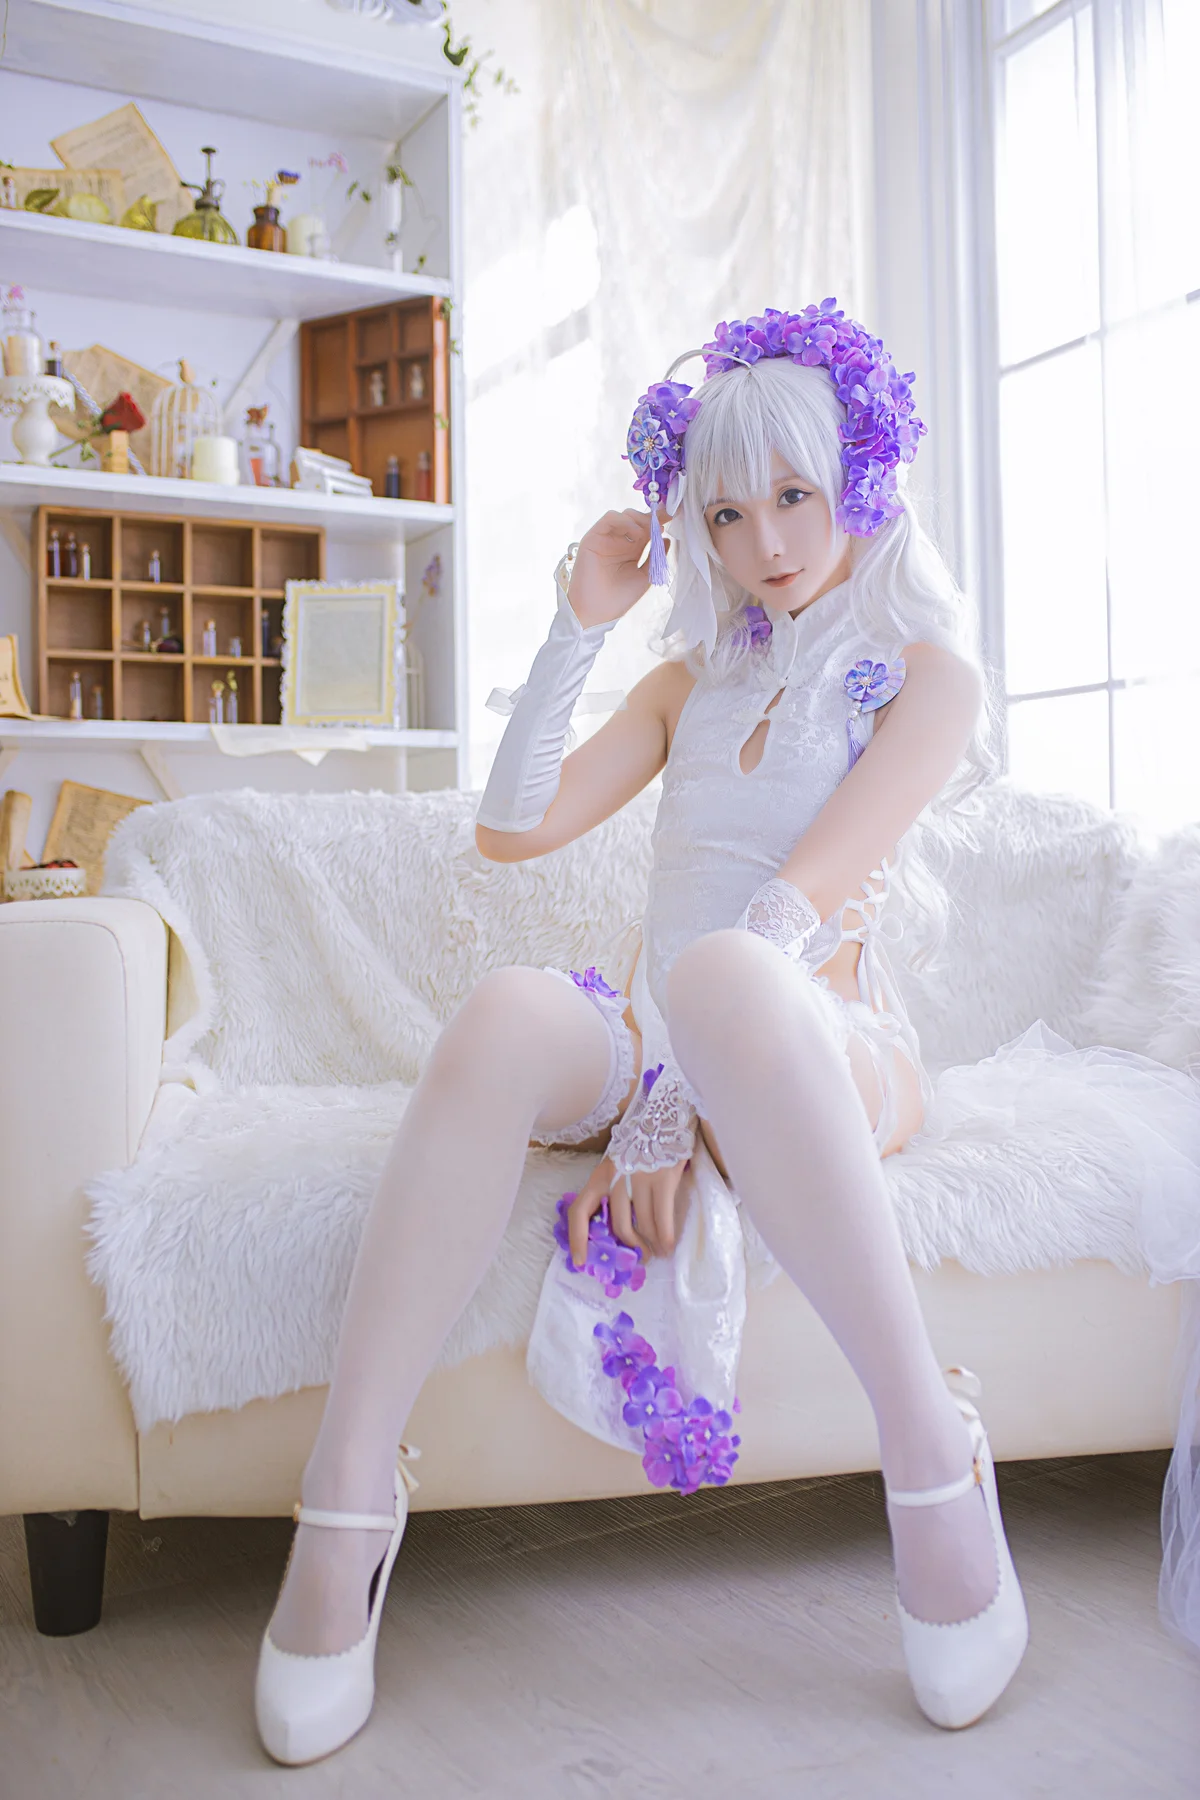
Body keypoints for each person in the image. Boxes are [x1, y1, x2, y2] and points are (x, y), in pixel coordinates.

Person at [253, 299, 1031, 1765]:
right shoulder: (690, 683)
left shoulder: (927, 672)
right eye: (725, 514)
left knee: (732, 973)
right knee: (506, 1012)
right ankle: (348, 1495)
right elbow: (509, 830)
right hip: (672, 1032)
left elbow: (797, 907)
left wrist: (673, 1105)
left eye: (794, 496)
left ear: (862, 474)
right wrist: (579, 623)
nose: (765, 543)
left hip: (827, 1039)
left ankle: (933, 1451)